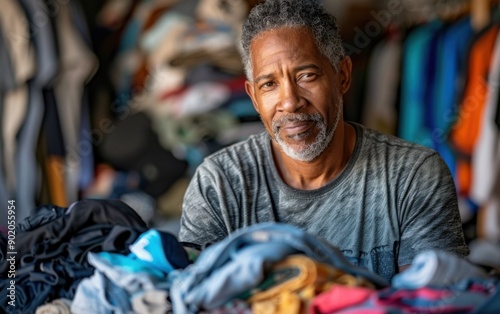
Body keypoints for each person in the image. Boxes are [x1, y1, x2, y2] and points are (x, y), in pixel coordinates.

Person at [178, 0, 469, 280]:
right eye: (269, 84)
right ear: (253, 97)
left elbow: (433, 301)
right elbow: (192, 296)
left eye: (306, 75)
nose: (290, 102)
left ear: (342, 76)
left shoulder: (414, 176)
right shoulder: (218, 184)